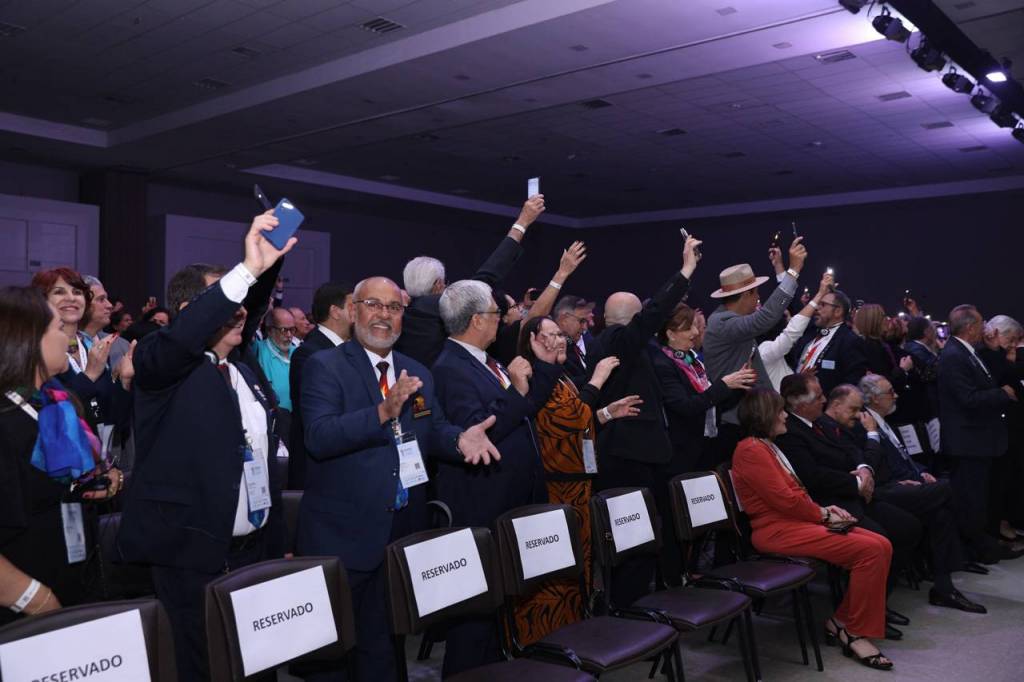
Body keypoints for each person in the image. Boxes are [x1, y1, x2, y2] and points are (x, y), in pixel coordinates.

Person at [297, 276, 500, 682]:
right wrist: (382, 412)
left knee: (384, 651)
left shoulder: (417, 370)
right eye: (373, 304)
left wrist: (459, 439)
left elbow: (431, 428)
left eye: (393, 307)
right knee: (332, 659)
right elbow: (319, 437)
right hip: (343, 537)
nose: (383, 315)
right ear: (353, 310)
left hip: (400, 534)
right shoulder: (325, 365)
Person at [117, 213, 293, 682]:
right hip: (192, 556)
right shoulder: (160, 364)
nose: (240, 311)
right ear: (189, 310)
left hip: (252, 550)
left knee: (257, 666)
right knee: (203, 668)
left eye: (241, 303)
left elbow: (262, 464)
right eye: (227, 301)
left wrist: (266, 266)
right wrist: (246, 271)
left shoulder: (244, 369)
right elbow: (183, 339)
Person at [432, 279, 562, 677]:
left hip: (506, 499)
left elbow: (524, 409)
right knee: (475, 616)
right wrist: (516, 390)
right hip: (482, 504)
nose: (501, 319)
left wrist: (543, 368)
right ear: (476, 320)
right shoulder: (451, 368)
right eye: (495, 313)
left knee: (496, 608)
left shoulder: (482, 361)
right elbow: (480, 432)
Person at [731, 388, 894, 671]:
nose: (785, 416)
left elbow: (793, 497)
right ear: (766, 415)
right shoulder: (750, 450)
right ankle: (853, 632)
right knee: (870, 550)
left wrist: (825, 510)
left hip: (795, 522)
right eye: (780, 411)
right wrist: (823, 513)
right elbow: (785, 500)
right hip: (776, 531)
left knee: (881, 544)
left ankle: (840, 621)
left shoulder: (765, 446)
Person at [512, 316, 641, 643]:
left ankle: (576, 633)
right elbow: (569, 418)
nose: (560, 340)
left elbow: (577, 423)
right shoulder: (536, 377)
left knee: (579, 565)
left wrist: (607, 413)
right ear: (531, 341)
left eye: (560, 334)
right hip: (556, 487)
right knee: (558, 569)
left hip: (576, 483)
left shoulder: (561, 376)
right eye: (550, 335)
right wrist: (598, 379)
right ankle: (550, 639)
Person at [1, 286, 124, 626]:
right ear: (29, 339)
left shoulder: (55, 404)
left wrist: (103, 481)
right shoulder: (5, 419)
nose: (69, 339)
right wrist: (37, 599)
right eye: (58, 328)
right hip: (26, 611)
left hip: (75, 582)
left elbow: (67, 484)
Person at [590, 235, 701, 606]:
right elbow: (654, 313)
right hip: (626, 455)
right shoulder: (618, 340)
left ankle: (633, 605)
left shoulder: (622, 343)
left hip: (634, 452)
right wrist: (685, 271)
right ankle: (627, 610)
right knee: (631, 540)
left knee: (640, 538)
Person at [775, 374, 921, 638]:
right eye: (818, 397)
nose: (824, 400)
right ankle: (854, 614)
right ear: (799, 403)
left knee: (908, 527)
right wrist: (856, 483)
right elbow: (813, 477)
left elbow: (850, 450)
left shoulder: (819, 422)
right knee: (880, 540)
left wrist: (864, 469)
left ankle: (876, 603)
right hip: (830, 504)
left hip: (854, 494)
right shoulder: (790, 433)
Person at [854, 375, 986, 612]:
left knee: (941, 514)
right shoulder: (864, 424)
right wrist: (905, 480)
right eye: (890, 392)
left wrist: (921, 473)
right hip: (885, 491)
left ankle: (944, 588)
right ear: (873, 399)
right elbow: (873, 465)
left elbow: (904, 457)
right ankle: (973, 545)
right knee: (953, 488)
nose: (896, 395)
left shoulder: (883, 421)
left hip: (905, 484)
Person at [397, 195, 545, 367]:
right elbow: (489, 273)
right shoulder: (446, 306)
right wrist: (522, 222)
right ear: (438, 284)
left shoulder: (397, 317)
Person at [703, 237, 806, 455]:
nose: (759, 297)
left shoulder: (729, 320)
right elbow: (766, 318)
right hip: (737, 422)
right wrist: (793, 271)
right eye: (756, 292)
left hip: (751, 416)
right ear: (746, 295)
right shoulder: (722, 323)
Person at [938, 305, 1019, 564]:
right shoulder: (954, 355)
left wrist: (994, 351)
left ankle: (980, 546)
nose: (985, 328)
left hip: (978, 439)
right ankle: (972, 550)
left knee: (978, 498)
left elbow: (985, 380)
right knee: (970, 499)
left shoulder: (966, 351)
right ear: (970, 327)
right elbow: (968, 398)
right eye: (981, 323)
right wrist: (1002, 394)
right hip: (967, 441)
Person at [30, 267, 131, 449]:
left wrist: (123, 381)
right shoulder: (36, 350)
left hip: (100, 452)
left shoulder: (91, 346)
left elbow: (105, 410)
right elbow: (46, 411)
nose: (71, 298)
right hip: (59, 454)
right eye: (59, 292)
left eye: (77, 292)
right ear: (42, 301)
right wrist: (89, 376)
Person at [652, 303, 757, 474]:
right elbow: (686, 406)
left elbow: (713, 403)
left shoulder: (691, 359)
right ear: (670, 334)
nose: (696, 332)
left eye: (695, 326)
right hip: (682, 453)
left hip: (705, 444)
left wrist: (739, 384)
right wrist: (724, 385)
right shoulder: (663, 365)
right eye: (688, 328)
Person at [287, 282, 352, 490]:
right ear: (335, 311)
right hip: (319, 470)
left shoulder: (351, 350)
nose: (359, 313)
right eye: (353, 306)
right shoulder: (309, 353)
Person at [757, 270, 833, 391]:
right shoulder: (765, 351)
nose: (790, 320)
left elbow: (785, 380)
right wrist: (819, 294)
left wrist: (800, 377)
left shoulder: (772, 354)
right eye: (786, 318)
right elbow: (793, 331)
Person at [789, 289, 867, 395]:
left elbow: (852, 382)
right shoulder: (810, 332)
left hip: (825, 402)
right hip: (795, 396)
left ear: (838, 311)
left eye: (823, 304)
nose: (817, 308)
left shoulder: (850, 341)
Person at [854, 304, 913, 385]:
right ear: (873, 321)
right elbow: (883, 383)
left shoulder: (879, 343)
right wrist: (903, 369)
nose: (887, 319)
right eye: (883, 316)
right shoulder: (870, 347)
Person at [554, 294, 593, 386]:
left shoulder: (570, 342)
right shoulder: (551, 346)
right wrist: (598, 377)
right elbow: (566, 384)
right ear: (564, 319)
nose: (584, 328)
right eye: (581, 321)